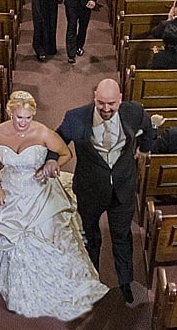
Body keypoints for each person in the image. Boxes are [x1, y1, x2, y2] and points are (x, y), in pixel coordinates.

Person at [0, 91, 110, 320]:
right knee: (9, 234)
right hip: (9, 189)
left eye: (27, 118)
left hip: (37, 190)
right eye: (18, 117)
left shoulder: (42, 132)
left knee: (52, 234)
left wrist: (50, 167)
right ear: (11, 113)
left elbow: (65, 153)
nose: (22, 123)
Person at [55, 80, 154, 302]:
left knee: (121, 235)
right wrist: (52, 160)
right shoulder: (75, 117)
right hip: (90, 189)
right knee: (90, 236)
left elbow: (148, 128)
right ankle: (91, 279)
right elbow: (58, 140)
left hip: (123, 188)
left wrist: (145, 148)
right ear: (94, 97)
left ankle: (125, 282)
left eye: (111, 103)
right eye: (101, 103)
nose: (106, 109)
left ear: (120, 99)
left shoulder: (134, 111)